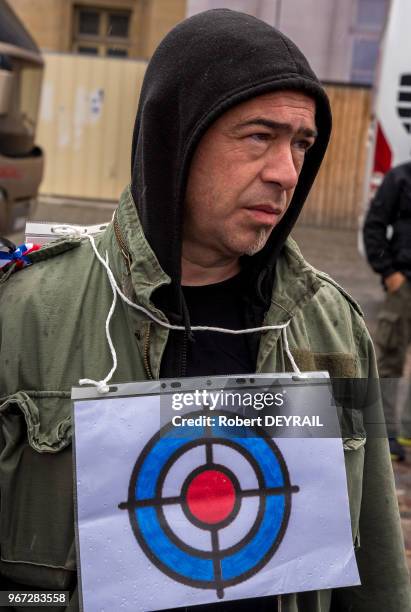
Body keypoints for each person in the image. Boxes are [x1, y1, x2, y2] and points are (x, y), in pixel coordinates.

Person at [0, 9, 410, 612]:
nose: (286, 172)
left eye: (302, 145)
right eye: (258, 138)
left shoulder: (334, 327)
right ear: (176, 138)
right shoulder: (27, 312)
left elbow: (375, 564)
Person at [363, 160, 411, 461]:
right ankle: (386, 434)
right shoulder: (401, 177)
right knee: (390, 358)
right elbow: (374, 225)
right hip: (404, 284)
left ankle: (407, 428)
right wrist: (388, 272)